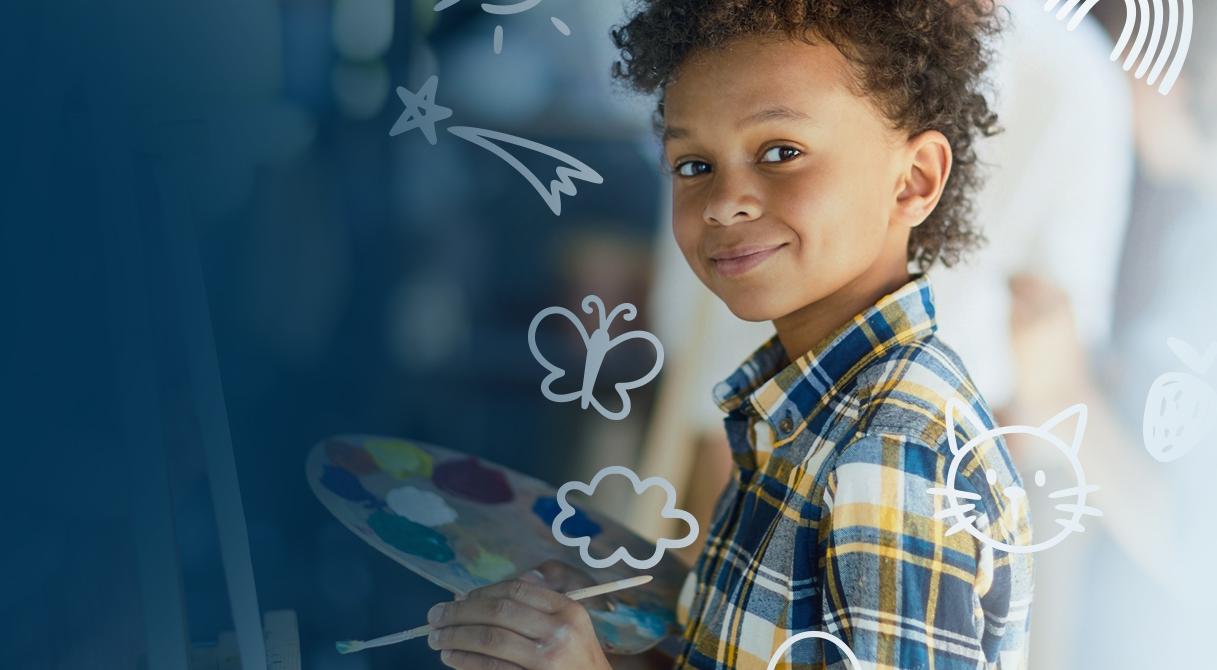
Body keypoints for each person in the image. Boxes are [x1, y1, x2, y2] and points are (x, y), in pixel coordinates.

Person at [422, 1, 1031, 668]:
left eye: (780, 152)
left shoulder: (888, 451)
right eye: (693, 165)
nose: (720, 201)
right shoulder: (809, 409)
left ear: (913, 181)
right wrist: (629, 635)